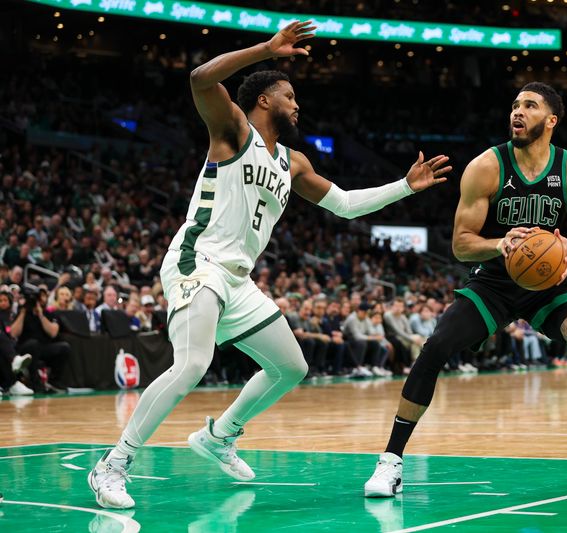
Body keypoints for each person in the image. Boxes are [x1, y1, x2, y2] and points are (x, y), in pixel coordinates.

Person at [88, 21, 449, 510]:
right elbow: (198, 78)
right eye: (289, 94)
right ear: (263, 100)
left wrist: (404, 187)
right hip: (200, 261)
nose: (297, 104)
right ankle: (113, 464)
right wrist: (265, 49)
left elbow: (343, 203)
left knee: (290, 365)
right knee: (192, 363)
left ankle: (219, 435)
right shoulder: (234, 129)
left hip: (237, 279)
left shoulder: (293, 162)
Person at [364, 82, 567, 498]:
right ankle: (391, 463)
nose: (517, 113)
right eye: (514, 105)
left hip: (550, 283)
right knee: (435, 346)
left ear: (552, 120)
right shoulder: (486, 166)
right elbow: (460, 243)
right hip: (494, 281)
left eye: (529, 106)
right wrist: (499, 243)